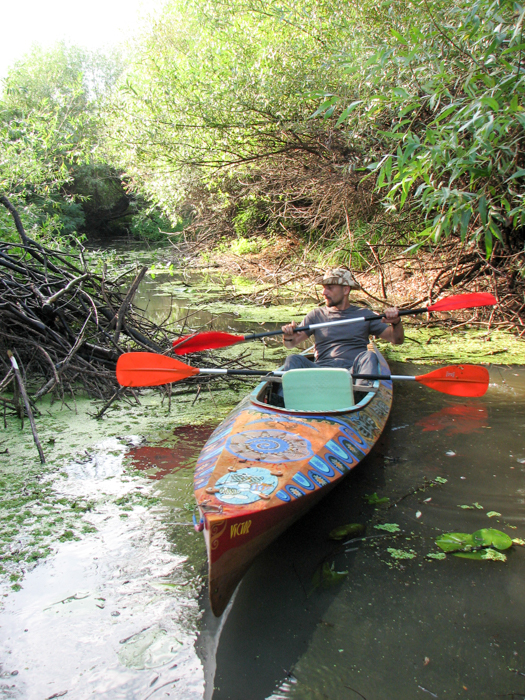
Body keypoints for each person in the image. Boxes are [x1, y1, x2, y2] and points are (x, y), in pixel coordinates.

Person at [280, 267, 404, 389]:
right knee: (293, 359)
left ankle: (360, 394)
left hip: (352, 372)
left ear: (345, 290)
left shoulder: (364, 315)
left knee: (369, 356)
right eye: (324, 288)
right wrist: (288, 336)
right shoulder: (316, 315)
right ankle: (284, 400)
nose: (324, 293)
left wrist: (396, 322)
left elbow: (396, 339)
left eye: (330, 288)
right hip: (321, 371)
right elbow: (291, 344)